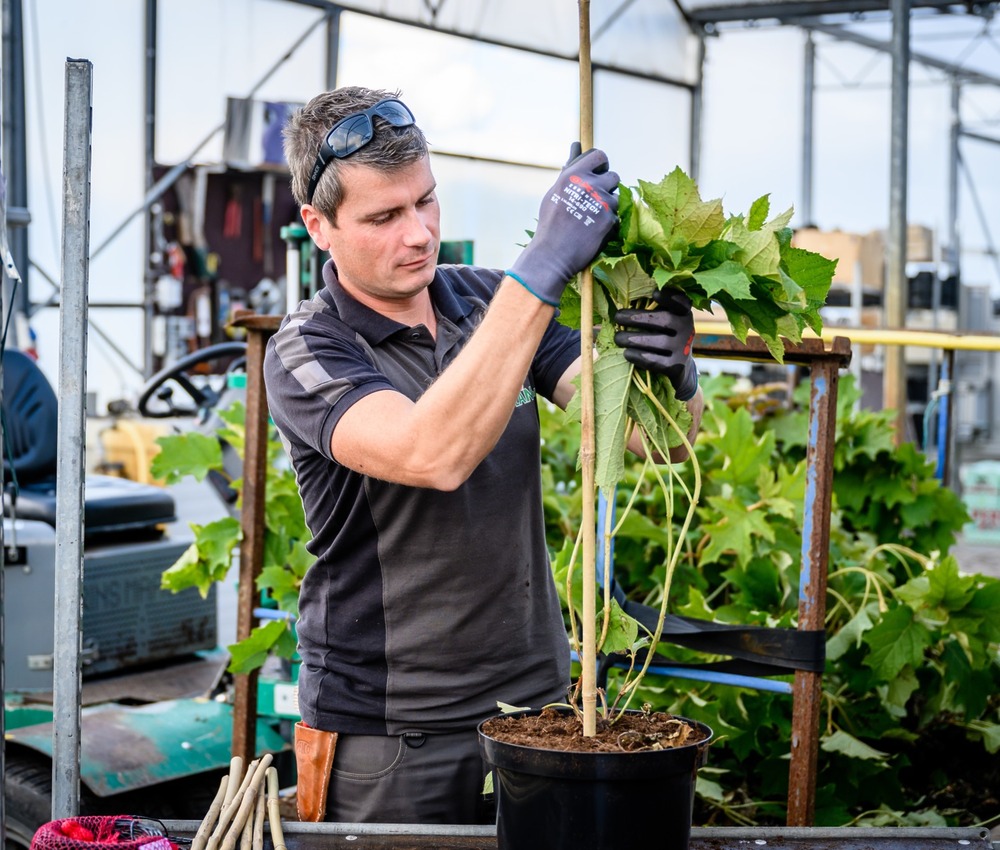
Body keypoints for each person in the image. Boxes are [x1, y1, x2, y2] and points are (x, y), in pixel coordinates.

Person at [263, 85, 704, 826]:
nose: (420, 234)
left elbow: (655, 440)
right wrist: (541, 268)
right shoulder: (308, 348)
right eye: (384, 216)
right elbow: (431, 452)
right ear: (319, 226)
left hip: (542, 716)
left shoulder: (486, 301)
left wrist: (673, 368)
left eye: (426, 202)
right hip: (395, 735)